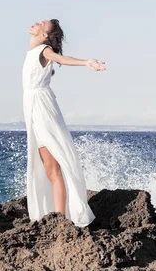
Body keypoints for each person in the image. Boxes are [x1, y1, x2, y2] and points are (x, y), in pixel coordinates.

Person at [22, 18, 105, 227]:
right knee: (50, 169)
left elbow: (62, 58)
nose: (35, 23)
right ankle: (58, 217)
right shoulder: (35, 51)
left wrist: (86, 62)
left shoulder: (44, 49)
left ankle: (60, 220)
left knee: (57, 165)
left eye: (41, 24)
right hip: (34, 109)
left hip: (42, 110)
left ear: (44, 35)